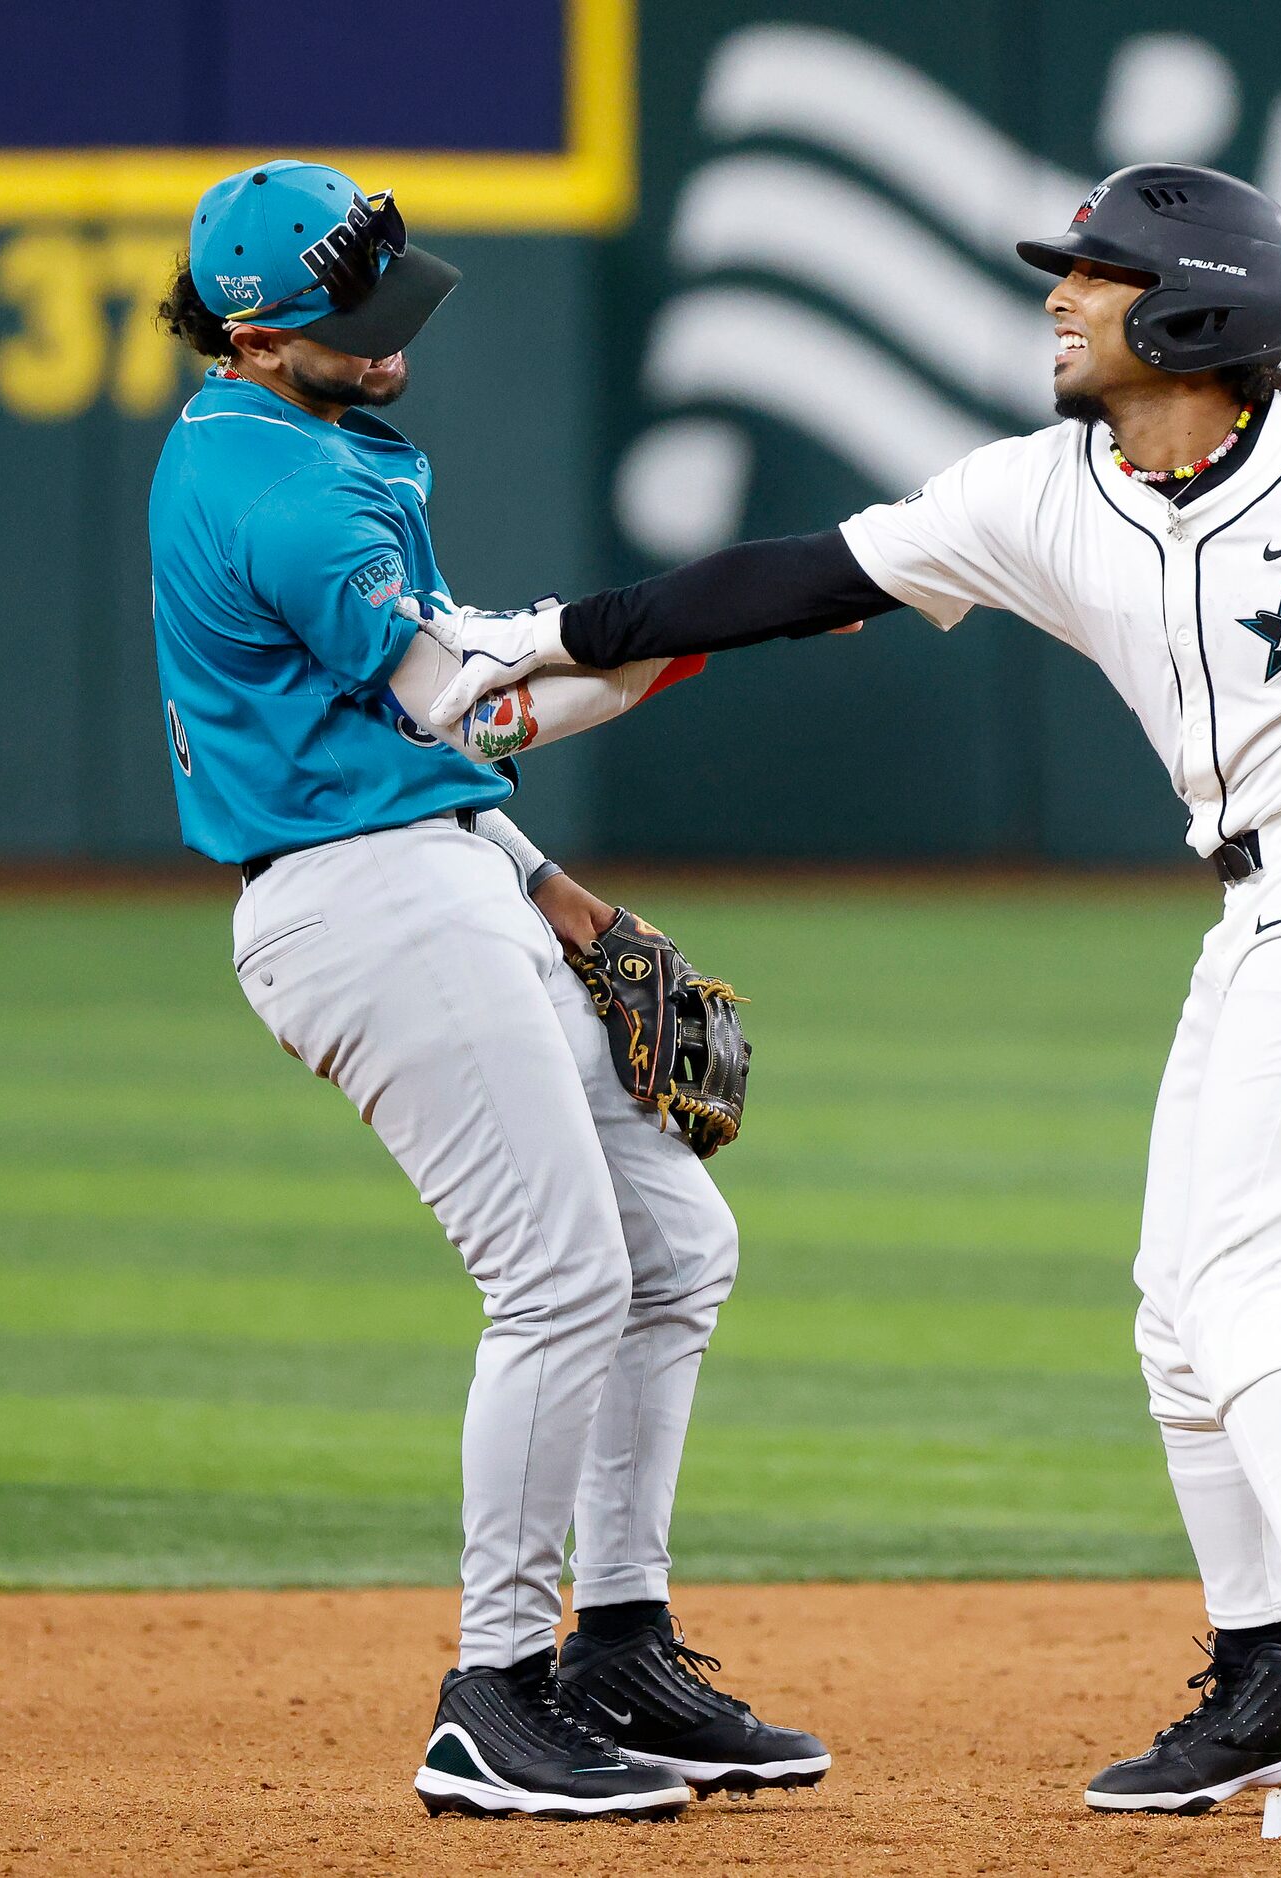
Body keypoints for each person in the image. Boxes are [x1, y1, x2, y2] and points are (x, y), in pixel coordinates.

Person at [419, 162, 1281, 1811]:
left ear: (1193, 309)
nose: (1058, 294)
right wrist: (545, 631)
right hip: (1257, 909)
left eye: (1094, 274)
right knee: (1177, 1313)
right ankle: (1262, 1670)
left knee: (1241, 1287)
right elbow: (801, 578)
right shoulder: (1047, 492)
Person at [148, 160, 829, 1819]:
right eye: (348, 318)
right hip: (356, 906)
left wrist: (563, 898)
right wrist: (711, 620)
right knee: (558, 1273)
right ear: (249, 329)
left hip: (439, 873)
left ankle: (616, 1641)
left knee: (675, 1247)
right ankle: (495, 1690)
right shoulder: (270, 484)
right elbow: (473, 708)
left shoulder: (310, 436)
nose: (388, 341)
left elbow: (410, 754)